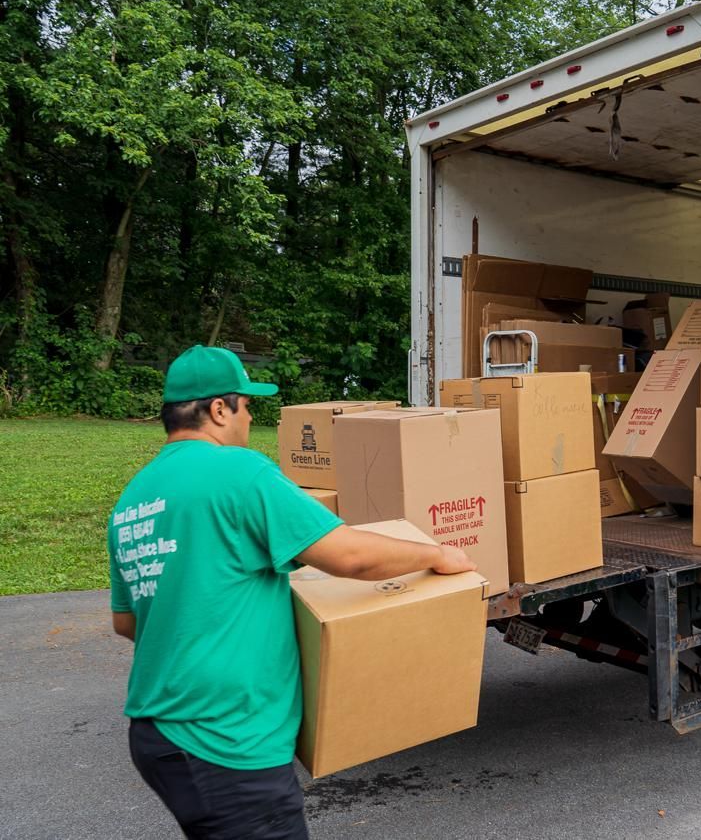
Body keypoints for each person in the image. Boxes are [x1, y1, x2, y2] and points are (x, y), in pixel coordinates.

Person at [108, 345, 476, 839]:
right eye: (248, 404)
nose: (250, 416)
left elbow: (127, 622)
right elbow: (350, 556)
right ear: (220, 408)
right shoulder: (238, 472)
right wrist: (434, 555)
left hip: (157, 732)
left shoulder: (134, 498)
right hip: (224, 737)